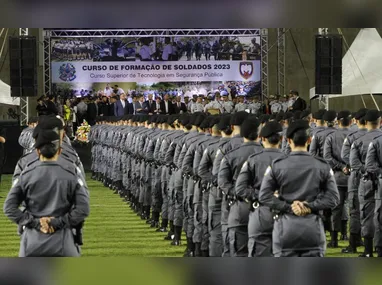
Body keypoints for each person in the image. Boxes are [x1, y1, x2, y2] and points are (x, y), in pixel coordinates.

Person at [3, 128, 90, 257]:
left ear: (37, 151)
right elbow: (83, 209)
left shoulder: (26, 175)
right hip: (63, 242)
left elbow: (9, 208)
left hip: (32, 241)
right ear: (59, 151)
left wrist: (35, 223)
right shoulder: (70, 174)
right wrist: (57, 222)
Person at [259, 119, 339, 257]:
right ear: (309, 140)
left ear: (288, 140)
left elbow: (264, 195)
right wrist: (310, 205)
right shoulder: (321, 165)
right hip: (312, 228)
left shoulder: (278, 165)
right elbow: (333, 198)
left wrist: (289, 207)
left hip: (285, 228)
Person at [235, 121, 286, 257]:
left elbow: (240, 188)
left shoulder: (253, 160)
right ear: (281, 139)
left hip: (261, 212)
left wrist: (261, 195)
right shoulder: (289, 160)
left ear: (262, 139)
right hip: (286, 213)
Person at [218, 117, 263, 257]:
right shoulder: (271, 156)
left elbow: (222, 182)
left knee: (238, 252)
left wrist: (238, 193)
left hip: (238, 207)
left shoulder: (230, 155)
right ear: (259, 134)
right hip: (265, 208)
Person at [350, 109, 382, 257]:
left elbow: (355, 162)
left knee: (367, 214)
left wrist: (366, 172)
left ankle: (368, 250)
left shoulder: (357, 140)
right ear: (380, 122)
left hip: (367, 180)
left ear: (365, 122)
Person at [341, 108, 368, 254]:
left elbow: (345, 156)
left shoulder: (353, 137)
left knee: (355, 210)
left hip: (357, 176)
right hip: (376, 177)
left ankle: (354, 243)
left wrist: (357, 166)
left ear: (356, 121)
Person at [323, 110, 352, 248]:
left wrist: (340, 167)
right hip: (354, 177)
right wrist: (349, 167)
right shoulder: (355, 135)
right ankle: (350, 236)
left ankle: (334, 239)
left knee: (336, 207)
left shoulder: (331, 136)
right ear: (351, 121)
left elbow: (327, 156)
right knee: (354, 208)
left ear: (337, 121)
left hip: (337, 177)